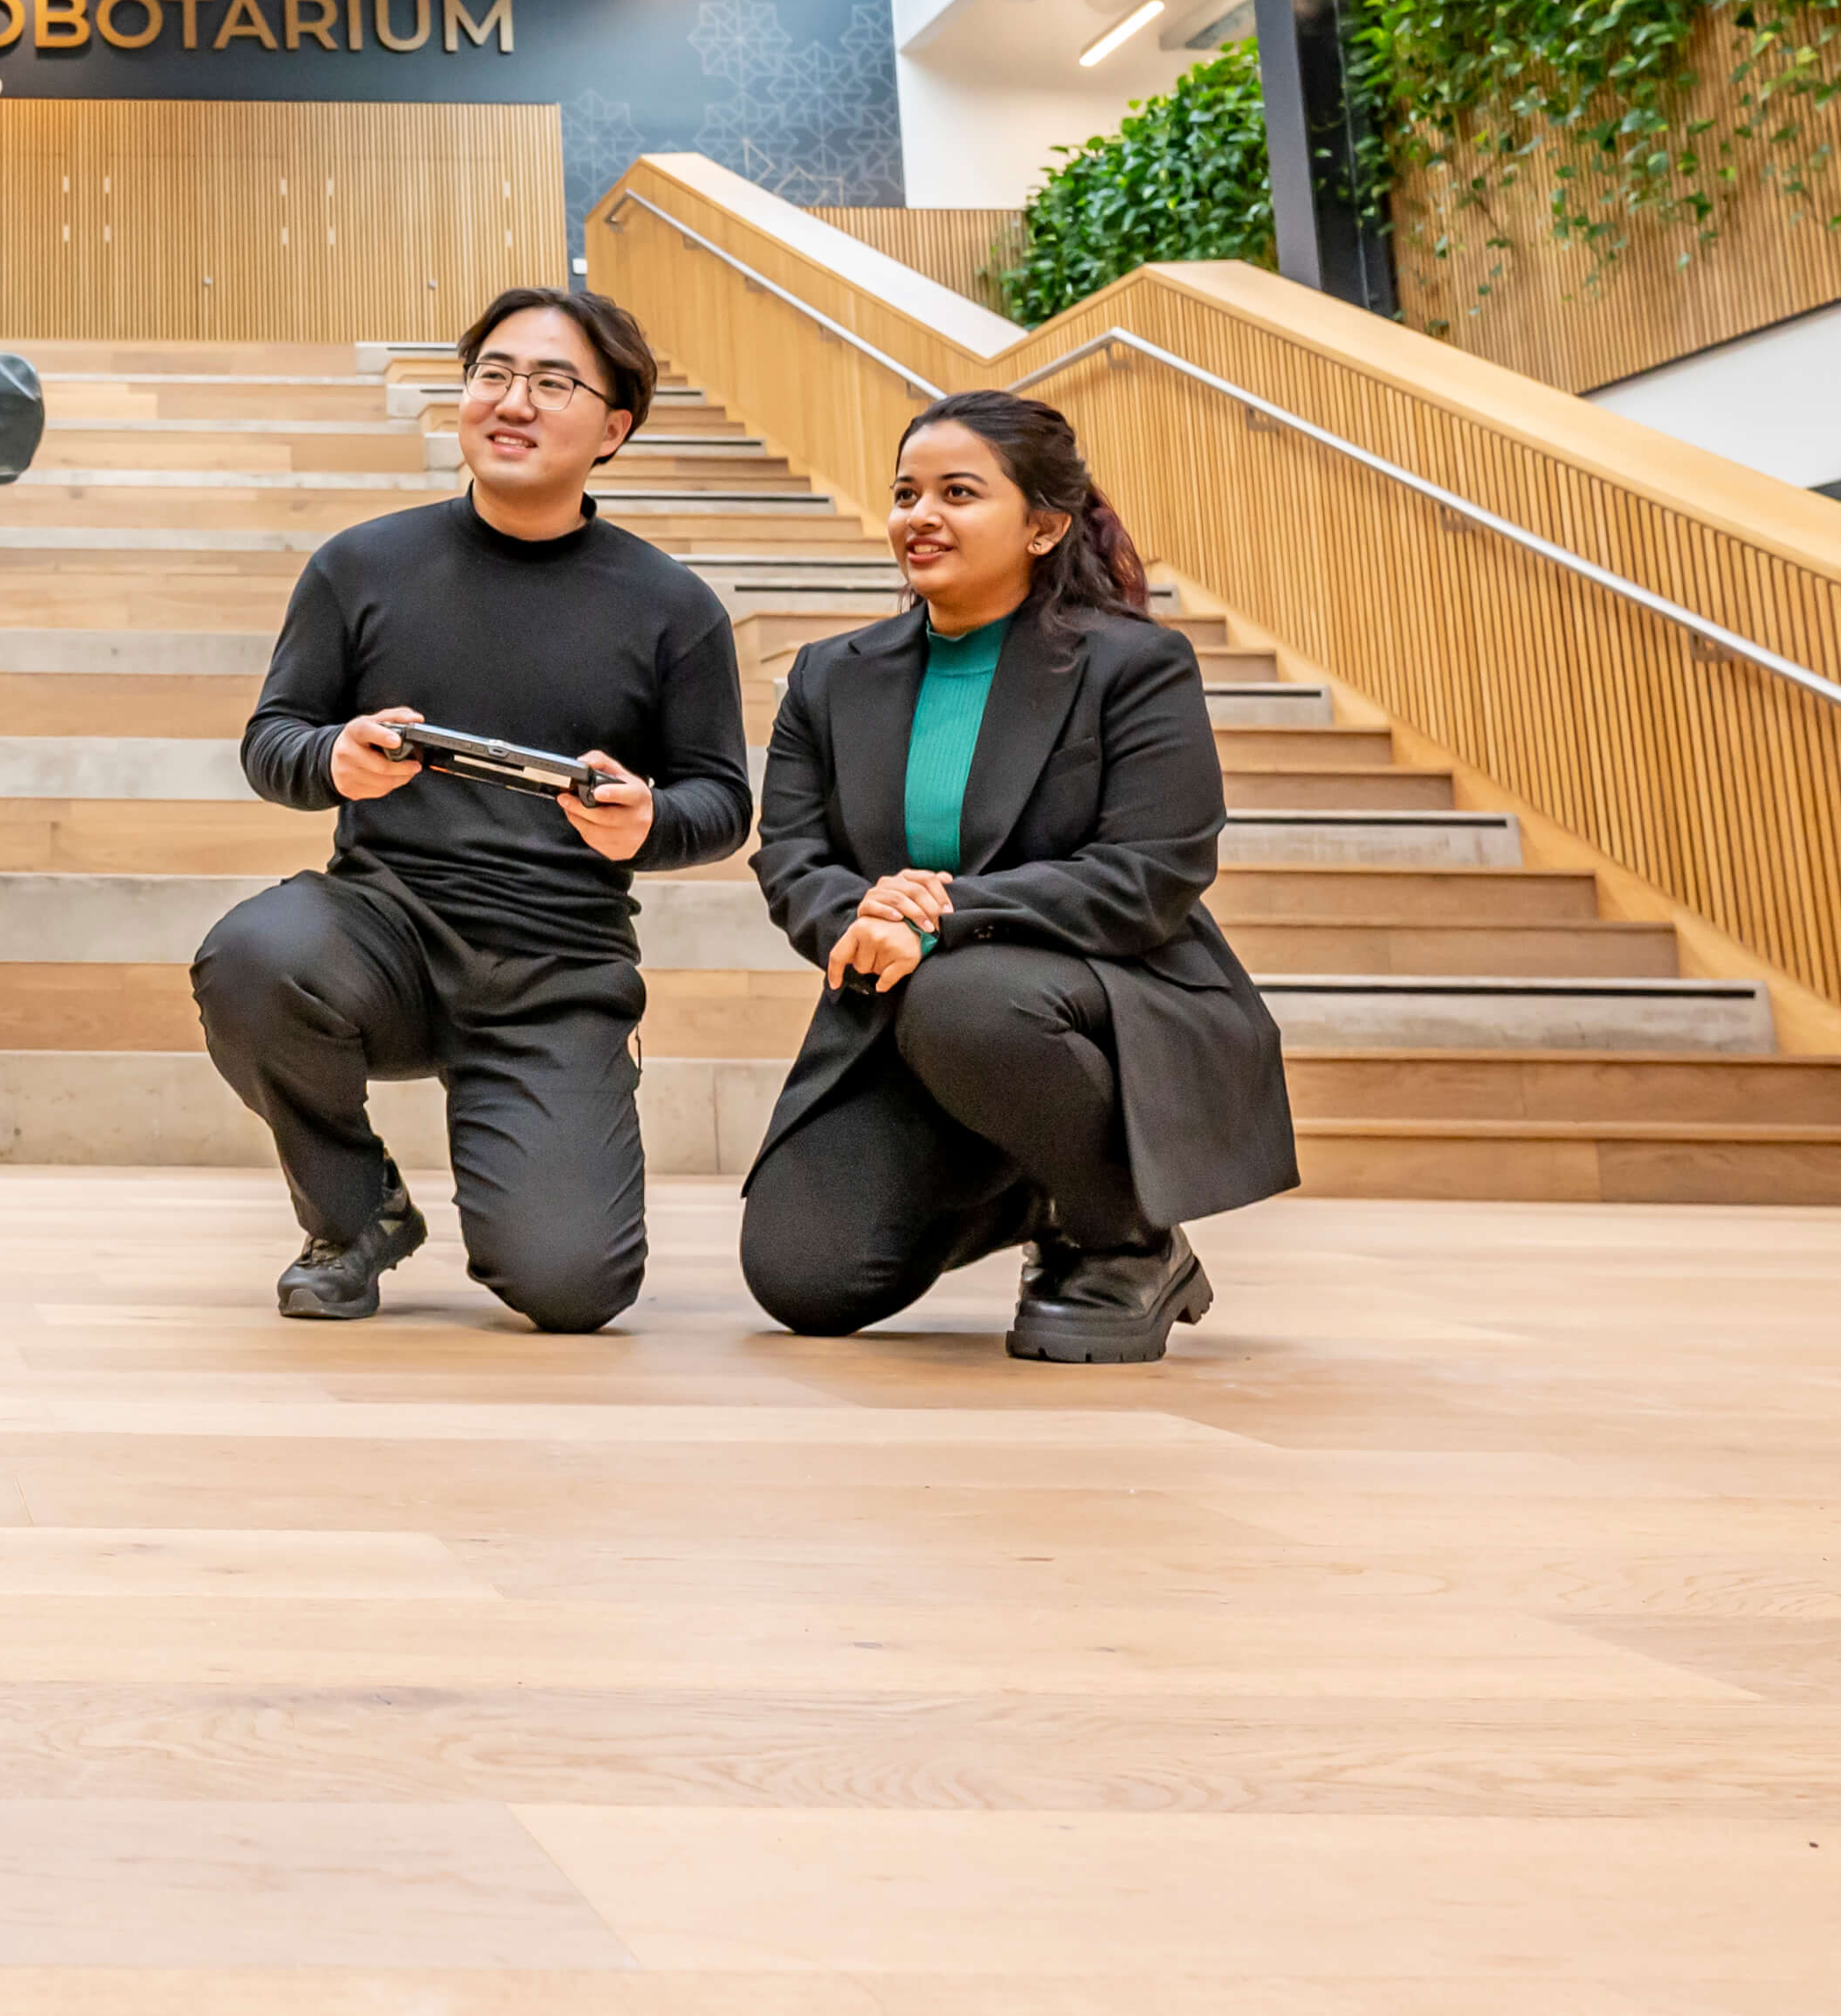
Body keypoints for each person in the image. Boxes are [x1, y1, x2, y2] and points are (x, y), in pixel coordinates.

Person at [195, 285, 751, 1333]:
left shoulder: (672, 607)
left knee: (572, 1288)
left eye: (553, 382)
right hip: (385, 931)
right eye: (493, 373)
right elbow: (274, 741)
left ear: (613, 429)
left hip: (558, 965)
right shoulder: (360, 565)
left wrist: (649, 820)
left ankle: (574, 1095)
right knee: (254, 956)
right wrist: (332, 759)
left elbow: (721, 799)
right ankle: (355, 1215)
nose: (513, 400)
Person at [738, 389, 1294, 1361]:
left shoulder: (1134, 664)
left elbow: (1151, 871)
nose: (920, 516)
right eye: (906, 494)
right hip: (914, 1015)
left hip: (1107, 991)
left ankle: (1125, 1237)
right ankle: (1046, 1173)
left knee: (965, 998)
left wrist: (938, 913)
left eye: (958, 492)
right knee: (803, 1277)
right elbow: (790, 854)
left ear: (1043, 525)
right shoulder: (831, 676)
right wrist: (863, 914)